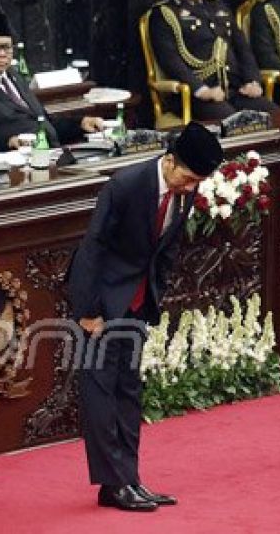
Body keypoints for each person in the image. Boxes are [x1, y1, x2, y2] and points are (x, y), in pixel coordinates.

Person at [67, 122, 223, 512]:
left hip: (137, 304)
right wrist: (88, 311)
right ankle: (113, 484)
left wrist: (153, 298)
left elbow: (165, 251)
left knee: (128, 393)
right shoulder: (125, 185)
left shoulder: (184, 190)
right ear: (169, 161)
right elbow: (92, 250)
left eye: (196, 183)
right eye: (186, 179)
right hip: (101, 305)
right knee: (101, 395)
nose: (189, 188)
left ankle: (128, 480)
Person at [0, 13, 102, 160]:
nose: (2, 54)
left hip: (48, 156)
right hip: (11, 168)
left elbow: (43, 123)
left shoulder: (14, 78)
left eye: (7, 47)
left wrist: (80, 123)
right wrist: (8, 141)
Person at [147, 0, 277, 120]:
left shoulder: (218, 6)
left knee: (275, 116)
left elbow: (242, 49)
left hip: (234, 90)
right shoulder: (164, 13)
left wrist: (252, 80)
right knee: (232, 123)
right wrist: (200, 90)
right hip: (196, 96)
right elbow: (170, 60)